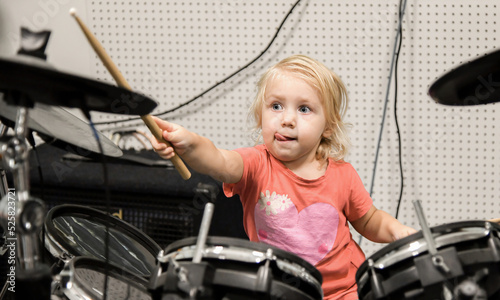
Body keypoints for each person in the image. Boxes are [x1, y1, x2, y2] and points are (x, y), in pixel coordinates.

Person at [150, 55, 416, 299]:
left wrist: (396, 231)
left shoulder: (343, 175)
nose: (287, 119)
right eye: (276, 106)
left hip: (344, 291)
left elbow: (368, 219)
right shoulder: (256, 164)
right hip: (278, 290)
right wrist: (190, 145)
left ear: (329, 127)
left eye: (304, 109)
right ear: (260, 115)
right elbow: (218, 160)